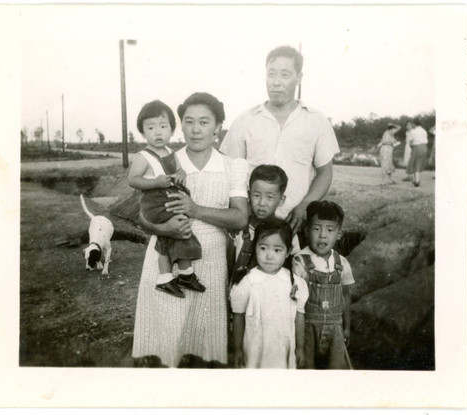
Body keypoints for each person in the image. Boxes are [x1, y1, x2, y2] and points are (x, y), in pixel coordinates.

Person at [132, 92, 249, 368]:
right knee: (167, 338)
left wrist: (195, 210)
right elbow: (142, 215)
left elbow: (240, 218)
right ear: (180, 125)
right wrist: (164, 228)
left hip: (210, 260)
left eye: (204, 122)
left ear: (218, 126)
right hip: (165, 259)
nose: (196, 130)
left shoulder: (232, 166)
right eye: (189, 121)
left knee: (203, 343)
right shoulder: (162, 161)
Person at [220, 45, 339, 242]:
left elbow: (325, 172)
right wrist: (242, 207)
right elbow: (229, 171)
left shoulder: (317, 121)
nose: (276, 82)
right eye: (271, 74)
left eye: (285, 75)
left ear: (299, 78)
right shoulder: (245, 120)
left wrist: (305, 205)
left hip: (296, 225)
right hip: (251, 226)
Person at [128, 100, 203, 298]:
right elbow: (133, 180)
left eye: (163, 126)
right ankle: (178, 275)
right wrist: (156, 183)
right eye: (151, 128)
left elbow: (179, 170)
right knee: (178, 228)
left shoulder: (171, 152)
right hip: (154, 201)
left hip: (167, 198)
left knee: (175, 231)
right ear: (143, 132)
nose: (157, 132)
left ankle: (171, 277)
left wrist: (181, 174)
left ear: (171, 129)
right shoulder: (143, 156)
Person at [230, 218, 308, 368]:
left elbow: (299, 316)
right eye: (263, 248)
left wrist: (300, 348)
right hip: (255, 351)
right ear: (255, 248)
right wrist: (238, 348)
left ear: (288, 252)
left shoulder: (294, 282)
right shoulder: (248, 282)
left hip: (283, 349)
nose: (269, 256)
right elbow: (238, 316)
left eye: (277, 250)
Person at [293, 201, 354, 369]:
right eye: (316, 228)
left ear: (339, 234)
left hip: (335, 327)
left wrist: (347, 328)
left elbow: (346, 295)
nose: (322, 235)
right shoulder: (300, 262)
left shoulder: (341, 263)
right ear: (306, 231)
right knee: (306, 367)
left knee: (337, 369)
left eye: (330, 230)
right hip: (307, 328)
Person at [229, 164, 288, 286]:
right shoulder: (239, 228)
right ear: (248, 195)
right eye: (256, 195)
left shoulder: (285, 232)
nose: (262, 203)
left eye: (269, 197)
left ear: (281, 200)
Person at [406, 120, 428, 187]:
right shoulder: (424, 131)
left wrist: (411, 146)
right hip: (424, 147)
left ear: (414, 124)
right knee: (419, 162)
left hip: (416, 147)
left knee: (414, 163)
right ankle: (416, 180)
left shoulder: (413, 131)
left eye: (412, 124)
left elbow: (410, 141)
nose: (412, 125)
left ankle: (417, 181)